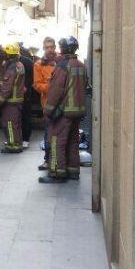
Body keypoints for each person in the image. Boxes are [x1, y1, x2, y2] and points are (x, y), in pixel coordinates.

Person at [39, 37, 88, 183]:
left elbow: (56, 91)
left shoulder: (62, 66)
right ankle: (73, 171)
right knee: (73, 141)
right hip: (77, 111)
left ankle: (56, 173)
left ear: (63, 48)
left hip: (63, 112)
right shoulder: (81, 65)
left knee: (56, 141)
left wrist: (48, 111)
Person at [0, 43, 26, 154]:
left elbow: (7, 89)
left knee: (10, 125)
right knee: (16, 124)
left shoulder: (12, 68)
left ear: (8, 54)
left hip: (11, 101)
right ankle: (18, 143)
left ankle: (13, 146)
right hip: (17, 100)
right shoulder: (19, 64)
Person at [33, 37, 58, 170]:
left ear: (54, 47)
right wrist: (52, 86)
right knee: (48, 133)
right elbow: (37, 85)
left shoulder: (61, 61)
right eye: (46, 47)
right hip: (48, 105)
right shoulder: (38, 64)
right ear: (43, 48)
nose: (49, 50)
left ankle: (60, 161)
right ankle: (48, 160)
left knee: (61, 134)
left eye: (51, 47)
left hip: (62, 104)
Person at [19, 44, 35, 149]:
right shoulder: (9, 61)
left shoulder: (28, 62)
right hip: (14, 94)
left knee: (25, 116)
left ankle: (25, 139)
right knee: (15, 117)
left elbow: (33, 77)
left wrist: (26, 86)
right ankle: (17, 139)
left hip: (25, 94)